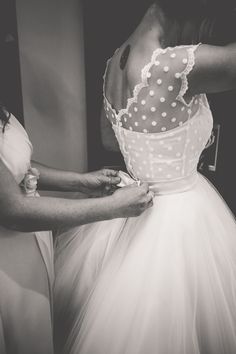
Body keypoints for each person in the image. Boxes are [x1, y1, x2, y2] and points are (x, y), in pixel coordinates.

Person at [54, 1, 236, 353]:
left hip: (131, 205)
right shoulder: (176, 63)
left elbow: (109, 140)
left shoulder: (114, 62)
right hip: (182, 215)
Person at [0, 103, 152, 354]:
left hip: (28, 240)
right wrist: (111, 208)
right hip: (8, 250)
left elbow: (14, 165)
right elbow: (11, 210)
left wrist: (79, 182)